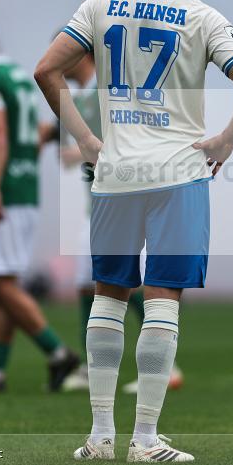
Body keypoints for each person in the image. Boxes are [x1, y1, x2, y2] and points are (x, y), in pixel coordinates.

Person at [34, 0, 233, 462]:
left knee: (108, 297)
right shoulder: (204, 16)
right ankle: (144, 439)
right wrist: (227, 140)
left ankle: (98, 438)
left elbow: (47, 70)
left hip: (115, 174)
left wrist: (88, 141)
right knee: (163, 299)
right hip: (177, 173)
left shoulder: (101, 3)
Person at [0, 14, 80, 393]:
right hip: (27, 188)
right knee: (4, 279)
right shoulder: (19, 75)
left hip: (4, 192)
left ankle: (59, 355)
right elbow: (41, 128)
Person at [53, 55, 183, 394]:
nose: (57, 58)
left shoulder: (106, 92)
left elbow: (120, 145)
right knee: (88, 283)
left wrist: (77, 151)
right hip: (96, 207)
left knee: (123, 284)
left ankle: (164, 365)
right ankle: (89, 364)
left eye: (63, 50)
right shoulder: (86, 95)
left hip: (115, 206)